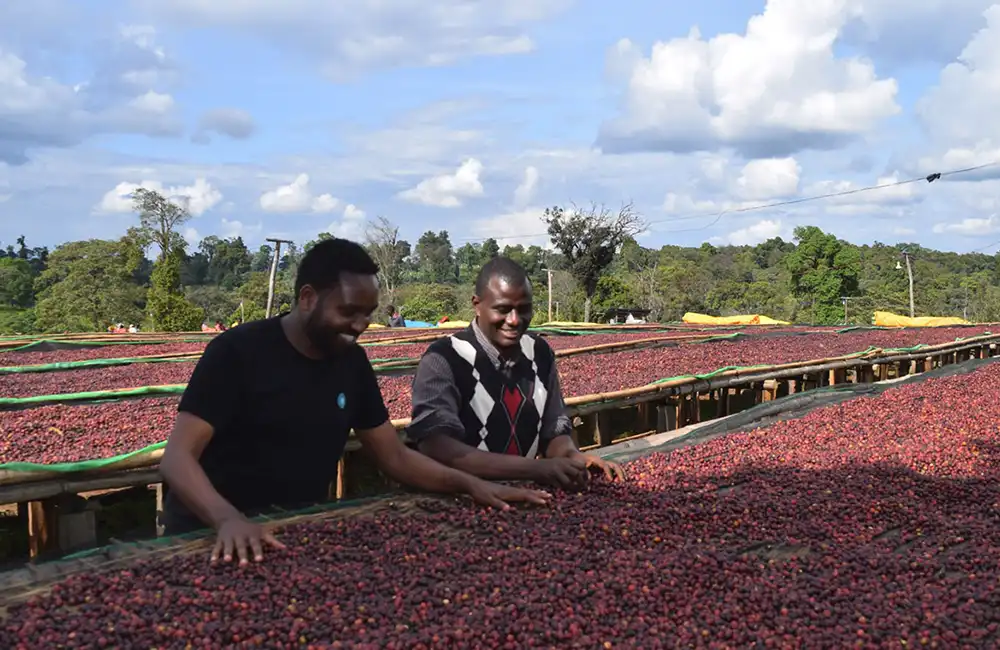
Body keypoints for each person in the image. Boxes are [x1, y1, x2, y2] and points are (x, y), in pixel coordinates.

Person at [159, 239, 550, 565]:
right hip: (209, 536)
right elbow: (177, 458)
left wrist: (471, 485)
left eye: (367, 313)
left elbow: (394, 457)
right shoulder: (237, 353)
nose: (361, 325)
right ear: (309, 298)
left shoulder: (351, 363)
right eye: (348, 311)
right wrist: (227, 519)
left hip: (291, 534)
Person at [407, 257, 625, 489]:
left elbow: (553, 429)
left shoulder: (539, 353)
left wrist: (572, 456)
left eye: (524, 309)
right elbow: (437, 445)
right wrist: (535, 468)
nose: (514, 320)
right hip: (458, 497)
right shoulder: (444, 358)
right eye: (502, 309)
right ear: (477, 305)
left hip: (524, 498)